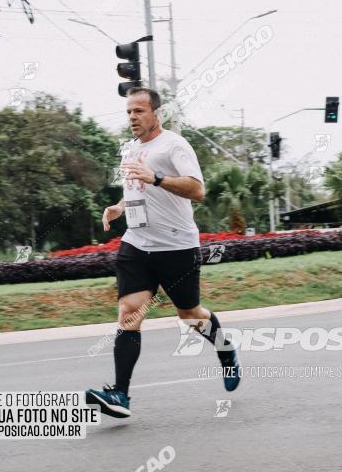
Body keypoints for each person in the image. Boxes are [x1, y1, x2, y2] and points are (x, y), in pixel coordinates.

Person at [85, 87, 241, 418]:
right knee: (130, 313)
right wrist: (118, 207)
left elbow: (197, 189)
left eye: (139, 111)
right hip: (137, 244)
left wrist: (156, 177)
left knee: (190, 315)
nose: (132, 117)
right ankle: (120, 395)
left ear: (156, 114)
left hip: (176, 247)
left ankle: (225, 350)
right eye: (128, 112)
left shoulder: (175, 145)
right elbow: (136, 189)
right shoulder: (129, 149)